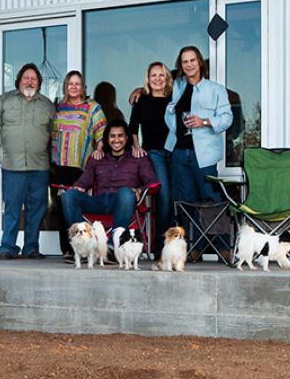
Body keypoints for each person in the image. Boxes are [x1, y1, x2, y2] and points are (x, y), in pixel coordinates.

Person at [0, 63, 55, 259]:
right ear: (19, 81)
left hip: (40, 166)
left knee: (36, 210)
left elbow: (55, 135)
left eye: (33, 78)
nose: (29, 81)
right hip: (13, 166)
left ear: (39, 82)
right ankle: (7, 247)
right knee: (12, 209)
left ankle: (31, 248)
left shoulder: (48, 105)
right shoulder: (4, 101)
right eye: (26, 78)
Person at [60, 120, 158, 259]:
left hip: (122, 202)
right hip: (98, 201)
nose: (116, 140)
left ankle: (112, 248)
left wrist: (140, 190)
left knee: (125, 192)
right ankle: (84, 248)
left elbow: (152, 182)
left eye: (120, 136)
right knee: (69, 195)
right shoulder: (97, 157)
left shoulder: (138, 157)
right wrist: (76, 188)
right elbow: (83, 182)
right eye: (112, 136)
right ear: (107, 139)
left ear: (127, 138)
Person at [164, 45, 233, 207]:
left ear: (200, 62)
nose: (189, 64)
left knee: (211, 200)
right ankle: (189, 234)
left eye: (192, 60)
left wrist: (204, 122)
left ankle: (217, 234)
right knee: (185, 204)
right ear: (181, 66)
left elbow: (227, 118)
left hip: (204, 154)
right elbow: (155, 86)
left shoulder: (216, 90)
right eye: (184, 62)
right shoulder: (177, 87)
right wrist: (139, 91)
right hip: (179, 152)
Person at [50, 70, 106, 253]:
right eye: (70, 84)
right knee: (59, 210)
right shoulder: (58, 107)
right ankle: (67, 250)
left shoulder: (92, 107)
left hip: (80, 168)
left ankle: (81, 249)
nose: (73, 87)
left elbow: (102, 134)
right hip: (58, 167)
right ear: (65, 86)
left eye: (77, 84)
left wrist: (99, 149)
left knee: (74, 209)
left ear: (83, 87)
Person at [127, 61, 174, 253]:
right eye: (153, 75)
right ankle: (160, 246)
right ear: (148, 79)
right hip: (154, 153)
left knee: (176, 198)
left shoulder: (174, 99)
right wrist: (137, 146)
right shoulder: (142, 99)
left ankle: (176, 243)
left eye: (161, 75)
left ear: (167, 78)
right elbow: (132, 126)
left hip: (175, 152)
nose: (157, 79)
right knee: (164, 197)